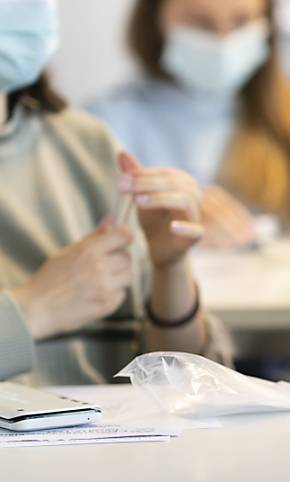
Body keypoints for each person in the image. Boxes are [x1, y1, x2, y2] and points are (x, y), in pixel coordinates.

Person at [89, 0, 290, 261]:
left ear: (268, 26)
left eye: (241, 22)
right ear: (155, 22)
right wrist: (161, 231)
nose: (222, 40)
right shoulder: (103, 125)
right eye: (199, 22)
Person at [0, 0, 226, 387]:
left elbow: (184, 383)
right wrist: (30, 311)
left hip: (115, 444)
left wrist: (169, 272)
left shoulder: (89, 145)